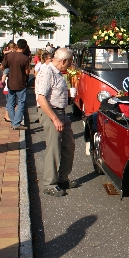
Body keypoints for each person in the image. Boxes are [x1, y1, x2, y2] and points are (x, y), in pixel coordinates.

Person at [36, 48, 77, 197]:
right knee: (54, 148)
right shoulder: (47, 71)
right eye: (70, 62)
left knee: (69, 145)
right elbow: (41, 98)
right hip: (51, 112)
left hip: (60, 111)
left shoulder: (57, 72)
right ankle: (50, 183)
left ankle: (62, 178)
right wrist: (54, 118)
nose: (70, 65)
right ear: (64, 61)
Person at [1, 39, 30, 131]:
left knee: (10, 102)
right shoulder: (25, 58)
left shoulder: (9, 55)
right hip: (21, 83)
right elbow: (27, 71)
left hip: (10, 82)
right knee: (21, 102)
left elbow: (2, 66)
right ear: (25, 47)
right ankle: (16, 123)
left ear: (17, 45)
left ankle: (14, 121)